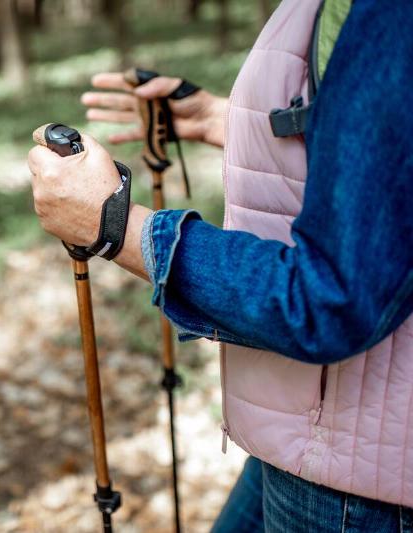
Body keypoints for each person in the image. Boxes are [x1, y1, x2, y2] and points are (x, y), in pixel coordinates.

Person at [28, 0, 413, 531]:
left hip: (357, 477)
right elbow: (378, 161)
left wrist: (116, 225)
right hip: (315, 426)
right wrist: (224, 119)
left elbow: (333, 299)